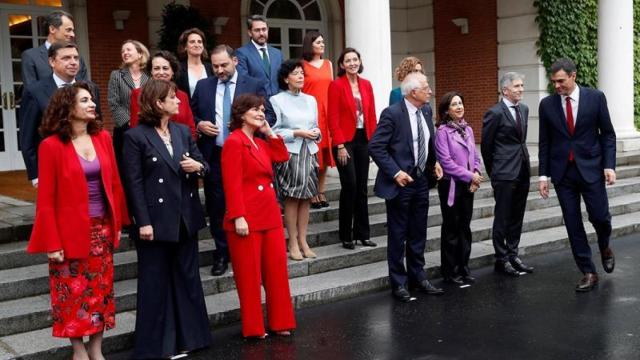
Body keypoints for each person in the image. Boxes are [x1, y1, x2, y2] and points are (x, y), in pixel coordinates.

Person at [26, 82, 128, 360]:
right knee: (71, 297)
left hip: (102, 231)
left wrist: (118, 225)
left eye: (92, 100)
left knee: (101, 295)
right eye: (85, 100)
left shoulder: (103, 138)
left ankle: (96, 350)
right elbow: (45, 201)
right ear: (68, 108)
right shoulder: (50, 146)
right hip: (68, 234)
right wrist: (51, 242)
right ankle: (79, 351)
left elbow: (115, 184)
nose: (92, 104)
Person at [123, 79, 211, 357]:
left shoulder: (183, 131)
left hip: (185, 216)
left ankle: (192, 338)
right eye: (173, 98)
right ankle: (157, 346)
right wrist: (143, 221)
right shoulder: (135, 137)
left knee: (188, 279)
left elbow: (204, 166)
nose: (178, 101)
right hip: (155, 221)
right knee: (155, 283)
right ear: (158, 103)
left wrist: (198, 167)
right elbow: (133, 183)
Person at [538, 57, 616, 292]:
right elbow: (545, 142)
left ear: (573, 76)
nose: (557, 86)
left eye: (561, 81)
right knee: (573, 224)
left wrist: (609, 165)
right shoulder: (547, 104)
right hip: (563, 174)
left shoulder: (595, 97)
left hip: (591, 168)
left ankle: (604, 246)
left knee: (600, 217)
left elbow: (608, 134)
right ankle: (588, 271)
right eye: (554, 82)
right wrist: (543, 176)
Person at [221, 93, 295, 338]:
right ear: (242, 114)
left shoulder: (261, 142)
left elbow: (282, 156)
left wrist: (270, 131)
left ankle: (280, 322)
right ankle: (253, 328)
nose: (261, 113)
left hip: (270, 214)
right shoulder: (234, 141)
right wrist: (237, 216)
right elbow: (231, 183)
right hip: (247, 217)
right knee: (249, 276)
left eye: (263, 109)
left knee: (276, 271)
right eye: (255, 109)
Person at [369, 72, 444, 302]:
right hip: (400, 182)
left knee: (418, 232)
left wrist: (436, 162)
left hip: (421, 180)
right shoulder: (392, 114)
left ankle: (418, 277)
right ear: (413, 92)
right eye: (426, 87)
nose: (430, 90)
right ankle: (399, 283)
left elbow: (427, 141)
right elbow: (376, 146)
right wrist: (395, 172)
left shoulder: (427, 111)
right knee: (398, 234)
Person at [191, 44, 264, 276]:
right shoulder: (204, 87)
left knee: (247, 203)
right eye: (215, 66)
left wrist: (246, 128)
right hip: (215, 156)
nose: (220, 70)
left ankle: (247, 251)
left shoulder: (253, 84)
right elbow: (191, 114)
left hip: (246, 156)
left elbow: (267, 115)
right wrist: (199, 124)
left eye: (224, 65)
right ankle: (222, 253)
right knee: (217, 207)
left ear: (235, 61)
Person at [21, 41, 101, 186]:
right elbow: (27, 137)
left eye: (76, 58)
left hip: (88, 164)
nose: (73, 62)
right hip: (53, 166)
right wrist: (35, 174)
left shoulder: (91, 88)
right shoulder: (35, 91)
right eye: (66, 58)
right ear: (52, 61)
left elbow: (97, 125)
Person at [481, 72, 534, 277]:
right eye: (517, 86)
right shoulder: (494, 113)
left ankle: (513, 254)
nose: (521, 89)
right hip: (503, 173)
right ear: (505, 90)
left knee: (517, 215)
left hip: (522, 169)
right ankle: (501, 259)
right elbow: (486, 146)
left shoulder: (524, 109)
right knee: (502, 217)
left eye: (522, 85)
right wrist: (494, 172)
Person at [327, 47, 377, 250]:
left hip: (363, 139)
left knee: (363, 188)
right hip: (344, 141)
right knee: (350, 186)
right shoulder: (336, 85)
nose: (352, 63)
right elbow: (333, 117)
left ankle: (362, 234)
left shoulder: (366, 85)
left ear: (359, 61)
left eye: (355, 60)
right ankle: (346, 235)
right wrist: (339, 145)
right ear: (342, 64)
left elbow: (372, 115)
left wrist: (374, 143)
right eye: (348, 61)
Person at [271, 59, 321, 260]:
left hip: (310, 152)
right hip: (290, 153)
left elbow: (317, 126)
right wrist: (297, 132)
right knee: (292, 197)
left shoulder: (311, 100)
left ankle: (303, 240)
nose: (300, 76)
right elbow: (274, 132)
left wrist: (316, 132)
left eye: (302, 73)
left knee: (307, 197)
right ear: (285, 78)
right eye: (295, 73)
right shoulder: (276, 100)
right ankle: (292, 241)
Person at [435, 91, 483, 285]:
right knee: (451, 229)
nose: (459, 107)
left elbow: (475, 155)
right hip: (450, 186)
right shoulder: (442, 132)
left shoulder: (468, 129)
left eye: (460, 103)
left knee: (465, 228)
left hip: (468, 185)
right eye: (454, 104)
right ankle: (450, 271)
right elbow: (446, 163)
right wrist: (470, 175)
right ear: (447, 110)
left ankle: (464, 268)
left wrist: (477, 173)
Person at [129, 50, 196, 139]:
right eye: (156, 68)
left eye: (165, 68)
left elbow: (191, 128)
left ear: (173, 72)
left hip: (182, 148)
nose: (161, 72)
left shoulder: (182, 96)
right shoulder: (139, 94)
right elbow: (135, 126)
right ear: (151, 72)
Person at [302, 30, 334, 209]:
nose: (322, 44)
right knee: (313, 156)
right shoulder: (302, 65)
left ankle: (321, 191)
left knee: (325, 154)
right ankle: (312, 192)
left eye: (323, 42)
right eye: (318, 42)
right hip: (310, 114)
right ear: (310, 44)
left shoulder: (328, 64)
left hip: (327, 112)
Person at [107, 39, 150, 172]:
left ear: (140, 54)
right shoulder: (116, 75)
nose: (124, 53)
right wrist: (129, 122)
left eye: (128, 50)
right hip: (124, 130)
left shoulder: (150, 77)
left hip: (147, 128)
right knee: (125, 169)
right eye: (122, 51)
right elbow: (113, 102)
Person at [21, 10, 88, 85]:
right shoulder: (31, 56)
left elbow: (85, 88)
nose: (73, 34)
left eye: (73, 31)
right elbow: (31, 91)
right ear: (52, 29)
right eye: (68, 30)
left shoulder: (78, 59)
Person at [236, 15, 283, 97]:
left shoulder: (277, 53)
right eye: (257, 30)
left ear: (268, 30)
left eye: (264, 29)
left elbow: (283, 78)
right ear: (250, 32)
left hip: (278, 103)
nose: (261, 33)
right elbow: (244, 82)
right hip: (258, 104)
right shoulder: (242, 53)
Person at [175, 28, 213, 97]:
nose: (197, 44)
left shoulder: (211, 68)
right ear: (185, 46)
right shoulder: (179, 69)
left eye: (199, 42)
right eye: (192, 42)